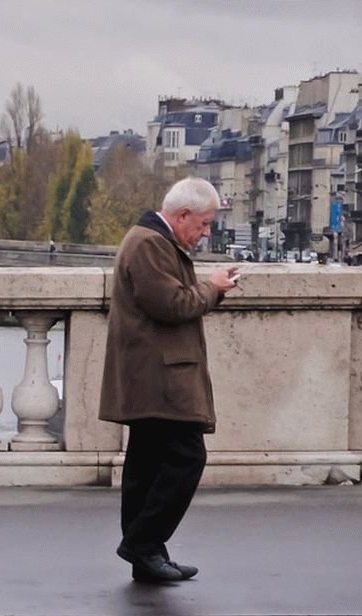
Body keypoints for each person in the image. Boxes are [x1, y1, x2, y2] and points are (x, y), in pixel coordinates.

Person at [98, 177, 238, 583]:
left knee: (147, 464)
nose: (206, 232)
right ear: (182, 216)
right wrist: (212, 289)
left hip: (152, 372)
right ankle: (141, 544)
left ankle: (148, 553)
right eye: (205, 223)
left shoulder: (152, 241)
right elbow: (173, 304)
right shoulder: (148, 245)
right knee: (186, 458)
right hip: (160, 377)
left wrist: (210, 287)